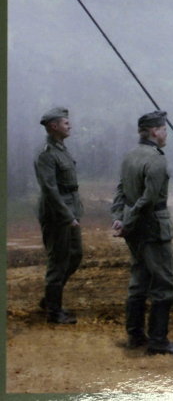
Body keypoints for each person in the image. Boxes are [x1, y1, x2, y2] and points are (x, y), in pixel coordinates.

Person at [110, 110, 173, 356]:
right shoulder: (156, 160)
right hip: (153, 228)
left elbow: (121, 190)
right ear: (154, 131)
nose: (166, 134)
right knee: (164, 284)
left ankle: (135, 336)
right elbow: (148, 200)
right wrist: (126, 221)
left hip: (134, 230)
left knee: (139, 280)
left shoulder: (130, 156)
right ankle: (158, 341)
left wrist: (119, 218)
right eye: (164, 130)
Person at [34, 106, 83, 324]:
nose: (69, 125)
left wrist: (74, 212)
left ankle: (50, 298)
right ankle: (54, 312)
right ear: (54, 126)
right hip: (57, 214)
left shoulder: (61, 149)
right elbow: (50, 189)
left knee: (75, 255)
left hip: (70, 209)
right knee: (59, 260)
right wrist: (67, 216)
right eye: (65, 122)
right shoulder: (46, 154)